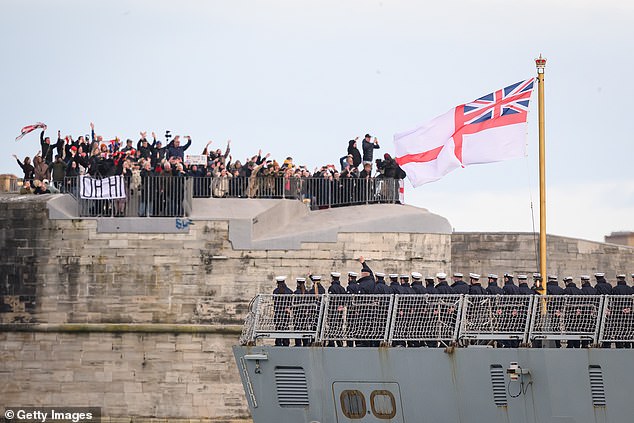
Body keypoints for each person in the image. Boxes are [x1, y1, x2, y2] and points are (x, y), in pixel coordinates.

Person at [327, 272, 346, 347]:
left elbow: (331, 300)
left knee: (332, 327)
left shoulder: (332, 288)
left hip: (333, 311)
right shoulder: (342, 288)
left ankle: (331, 343)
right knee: (339, 328)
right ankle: (340, 343)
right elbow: (345, 299)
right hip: (339, 312)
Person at [272, 275, 293, 346]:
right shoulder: (290, 291)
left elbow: (274, 302)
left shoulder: (275, 291)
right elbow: (290, 303)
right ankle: (286, 343)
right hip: (286, 313)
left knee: (278, 327)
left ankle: (278, 343)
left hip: (278, 313)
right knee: (285, 327)